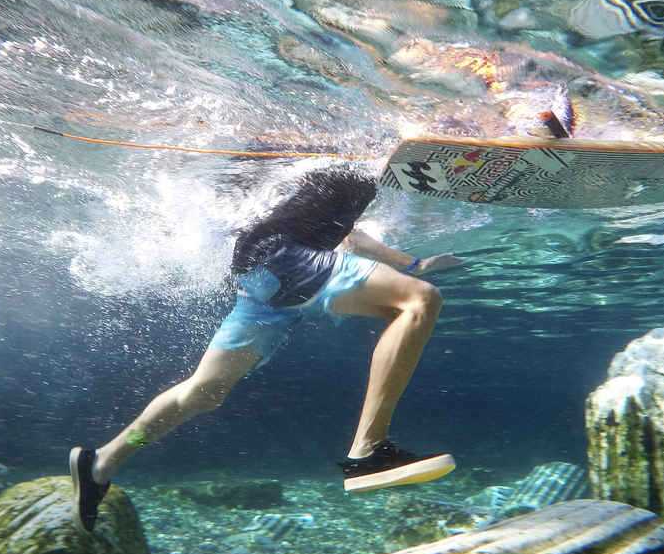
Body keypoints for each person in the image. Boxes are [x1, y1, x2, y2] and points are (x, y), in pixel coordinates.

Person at [69, 165, 462, 532]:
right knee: (419, 301)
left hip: (263, 273)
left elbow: (352, 237)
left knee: (204, 393)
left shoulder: (347, 179)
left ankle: (102, 462)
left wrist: (415, 263)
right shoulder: (341, 158)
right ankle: (368, 452)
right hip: (280, 258)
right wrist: (414, 271)